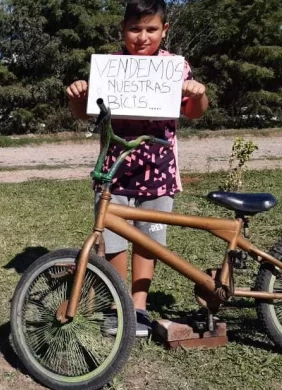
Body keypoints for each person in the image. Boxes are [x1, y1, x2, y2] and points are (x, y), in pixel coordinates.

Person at [64, 0, 209, 337]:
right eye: (135, 29)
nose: (142, 37)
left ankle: (139, 306)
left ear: (164, 30)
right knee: (113, 239)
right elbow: (86, 114)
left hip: (158, 170)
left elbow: (195, 112)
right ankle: (120, 304)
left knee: (148, 241)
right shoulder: (110, 67)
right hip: (114, 170)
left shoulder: (176, 66)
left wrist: (198, 93)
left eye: (151, 29)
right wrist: (77, 95)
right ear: (122, 29)